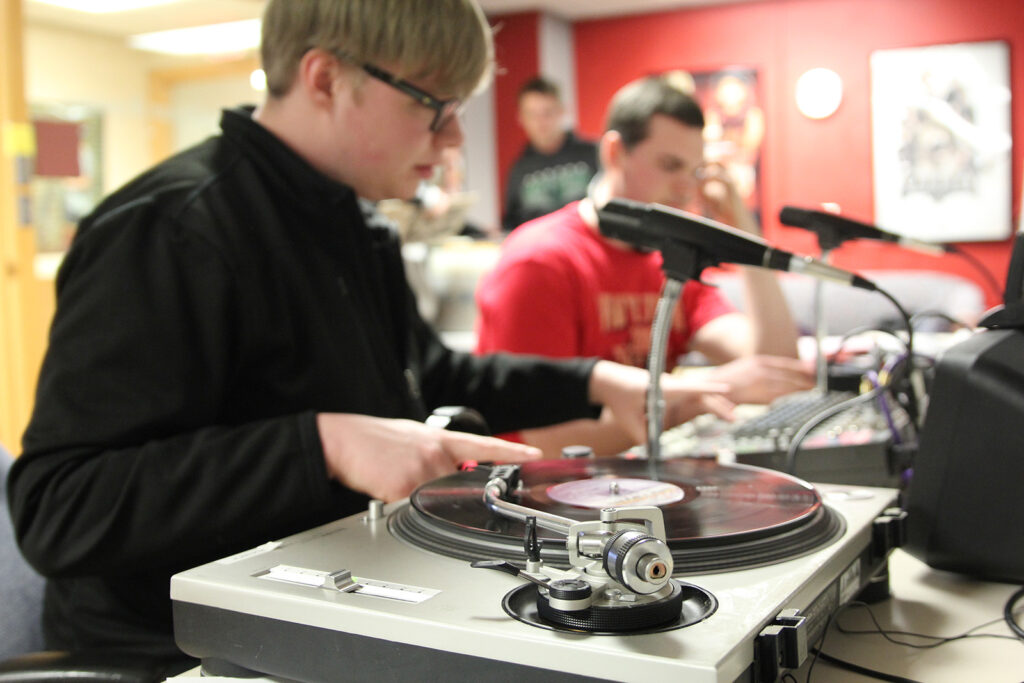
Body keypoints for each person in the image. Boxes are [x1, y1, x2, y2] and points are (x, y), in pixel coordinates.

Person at [6, 1, 734, 674]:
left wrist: (592, 379)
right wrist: (321, 442)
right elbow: (58, 506)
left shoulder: (357, 223)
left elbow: (429, 373)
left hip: (336, 595)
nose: (453, 136)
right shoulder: (170, 228)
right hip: (181, 644)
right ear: (326, 78)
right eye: (434, 105)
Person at [476, 73, 815, 458]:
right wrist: (706, 393)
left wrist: (743, 228)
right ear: (615, 152)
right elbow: (553, 440)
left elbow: (775, 364)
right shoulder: (539, 261)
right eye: (670, 165)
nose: (687, 188)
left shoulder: (671, 265)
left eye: (695, 171)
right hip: (525, 503)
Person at [502, 76, 599, 233]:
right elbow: (511, 224)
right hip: (540, 250)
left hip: (587, 246)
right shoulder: (519, 169)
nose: (541, 122)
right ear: (521, 118)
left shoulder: (593, 153)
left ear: (562, 111)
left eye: (547, 113)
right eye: (532, 114)